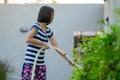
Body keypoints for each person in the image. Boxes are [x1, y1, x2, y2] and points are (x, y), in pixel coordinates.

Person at [21, 5, 74, 80]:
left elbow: (57, 48)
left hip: (40, 65)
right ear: (46, 15)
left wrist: (68, 60)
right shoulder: (36, 26)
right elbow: (28, 39)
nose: (52, 18)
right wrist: (42, 44)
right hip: (31, 64)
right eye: (52, 16)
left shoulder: (49, 31)